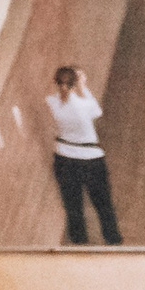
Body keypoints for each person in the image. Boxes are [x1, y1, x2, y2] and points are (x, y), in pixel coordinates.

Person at [46, 66, 123, 245]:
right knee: (103, 203)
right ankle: (113, 240)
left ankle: (79, 243)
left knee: (73, 206)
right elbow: (97, 112)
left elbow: (62, 97)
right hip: (90, 160)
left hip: (63, 159)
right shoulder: (84, 105)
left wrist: (75, 84)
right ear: (75, 84)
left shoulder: (51, 101)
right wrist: (83, 86)